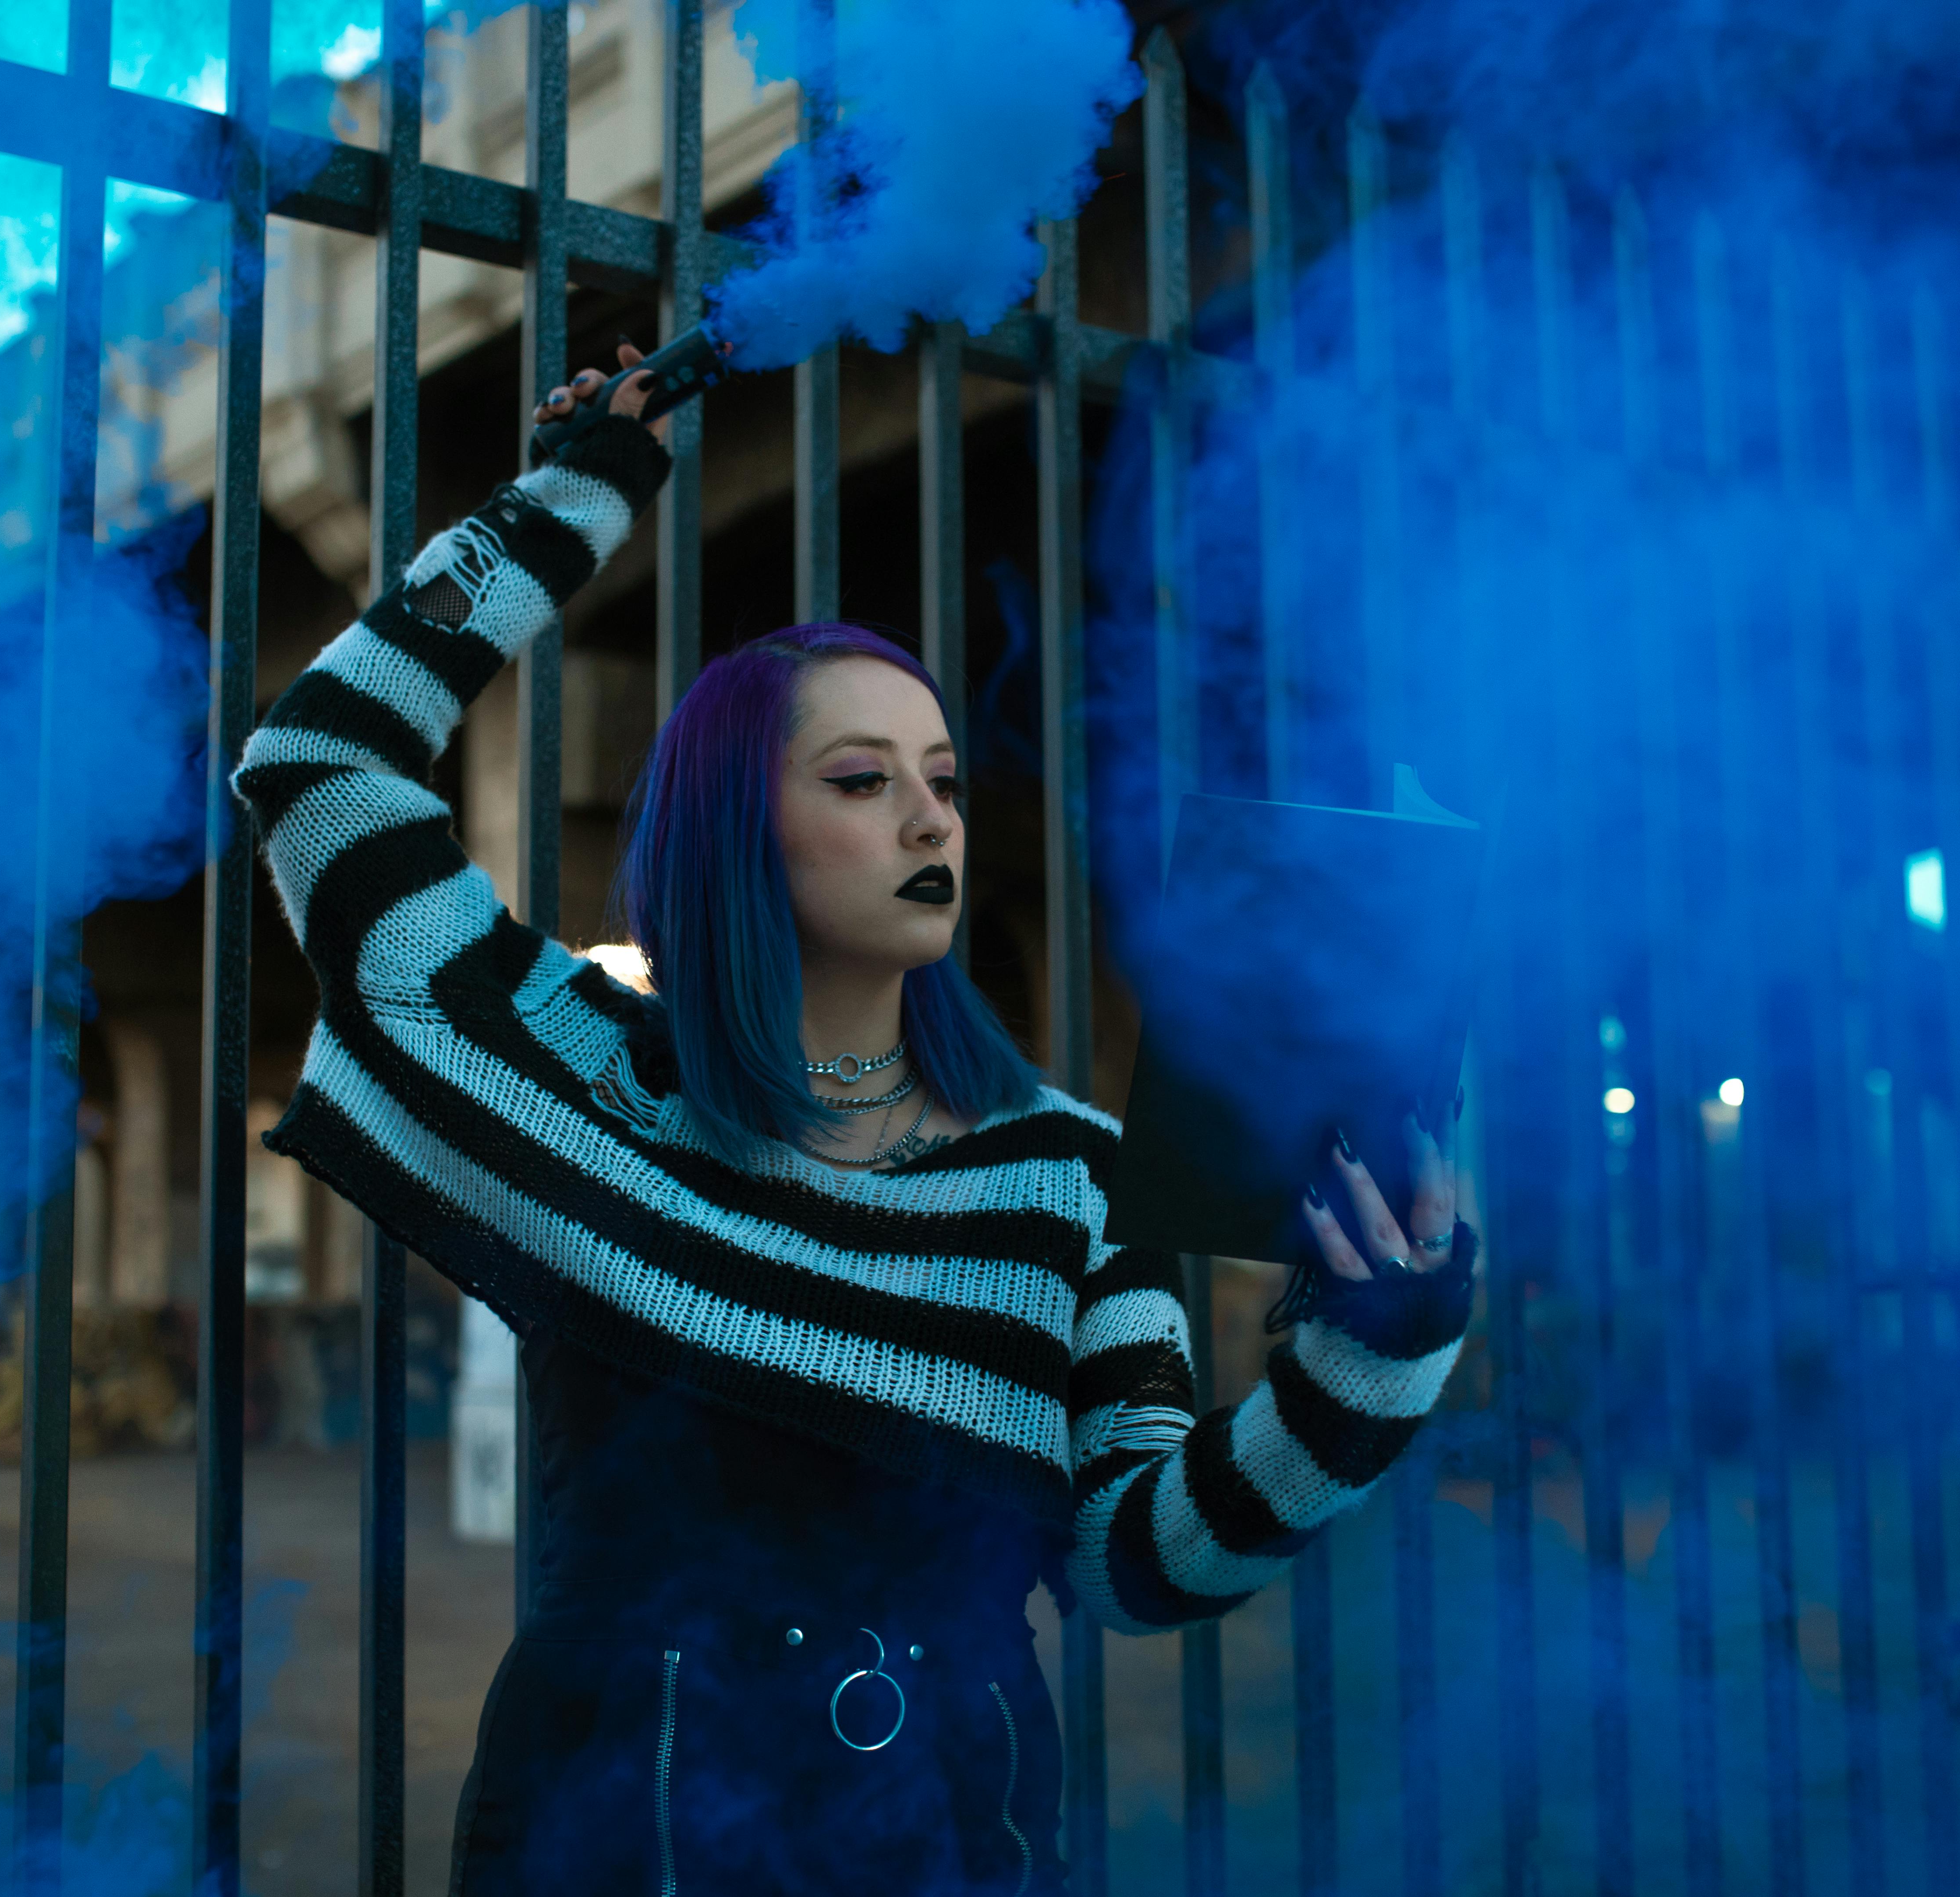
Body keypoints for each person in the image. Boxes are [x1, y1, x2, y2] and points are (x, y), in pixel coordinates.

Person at [232, 348, 1479, 1895]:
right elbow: (319, 768)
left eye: (944, 779)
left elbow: (1148, 1557)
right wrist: (565, 502)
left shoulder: (1068, 1176)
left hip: (951, 1833)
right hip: (621, 1823)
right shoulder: (590, 1083)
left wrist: (1377, 1348)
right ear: (734, 827)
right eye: (860, 777)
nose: (930, 816)